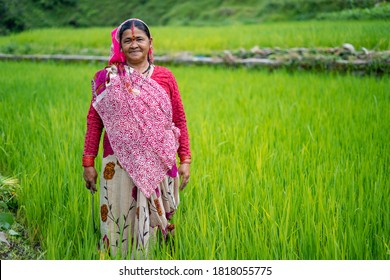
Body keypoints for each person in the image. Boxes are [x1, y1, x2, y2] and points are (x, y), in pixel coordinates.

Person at [82, 18, 191, 258]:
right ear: (119, 44)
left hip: (158, 162)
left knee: (155, 219)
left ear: (150, 42)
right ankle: (118, 260)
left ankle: (154, 260)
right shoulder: (107, 79)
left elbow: (179, 120)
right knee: (118, 212)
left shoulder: (165, 77)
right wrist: (88, 162)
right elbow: (94, 120)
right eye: (128, 40)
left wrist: (185, 159)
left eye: (139, 39)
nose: (134, 44)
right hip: (118, 163)